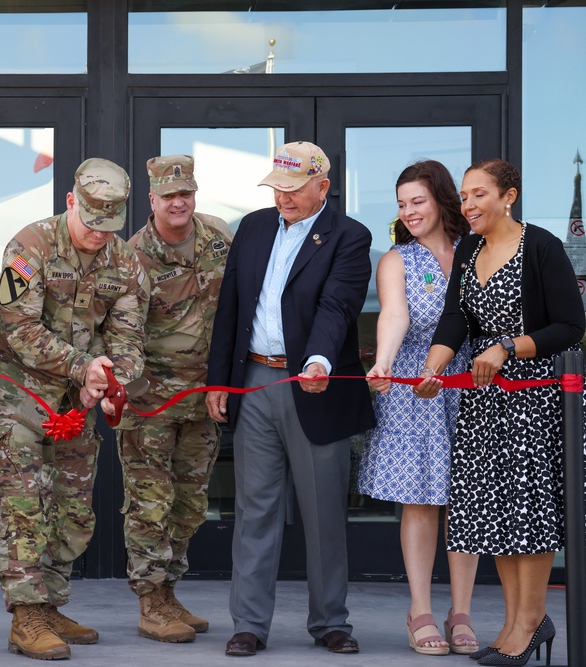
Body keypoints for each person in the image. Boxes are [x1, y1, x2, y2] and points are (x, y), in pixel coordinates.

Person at [0, 157, 149, 660]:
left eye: (108, 225)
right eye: (90, 222)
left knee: (72, 502)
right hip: (15, 392)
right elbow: (16, 327)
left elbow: (130, 338)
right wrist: (84, 368)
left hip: (76, 399)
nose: (98, 234)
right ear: (71, 201)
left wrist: (110, 375)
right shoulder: (28, 247)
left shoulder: (125, 262)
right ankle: (25, 616)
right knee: (24, 502)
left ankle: (49, 603)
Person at [206, 141, 375, 658]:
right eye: (276, 187)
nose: (282, 197)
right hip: (255, 381)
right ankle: (249, 624)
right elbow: (231, 306)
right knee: (255, 509)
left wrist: (320, 361)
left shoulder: (349, 236)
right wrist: (220, 380)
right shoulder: (254, 227)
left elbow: (337, 306)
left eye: (293, 188)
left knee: (323, 511)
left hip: (313, 385)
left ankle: (330, 621)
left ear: (322, 187)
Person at [415, 159, 583, 666]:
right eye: (464, 196)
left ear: (509, 196)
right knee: (497, 515)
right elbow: (456, 319)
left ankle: (529, 621)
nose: (467, 206)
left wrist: (509, 346)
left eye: (478, 194)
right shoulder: (469, 248)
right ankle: (516, 621)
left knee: (528, 513)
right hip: (485, 399)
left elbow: (571, 326)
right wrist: (432, 368)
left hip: (533, 396)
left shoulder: (542, 246)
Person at [358, 160, 479, 656]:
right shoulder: (397, 259)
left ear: (442, 199)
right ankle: (422, 610)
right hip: (418, 388)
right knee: (423, 499)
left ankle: (462, 612)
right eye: (402, 203)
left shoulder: (478, 251)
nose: (408, 211)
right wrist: (383, 364)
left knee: (469, 498)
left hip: (474, 382)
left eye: (418, 201)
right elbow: (394, 315)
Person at [118, 154, 232, 643]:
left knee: (189, 502)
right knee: (150, 503)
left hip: (204, 398)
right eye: (168, 196)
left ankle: (168, 590)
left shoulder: (218, 237)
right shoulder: (132, 256)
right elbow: (118, 332)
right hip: (152, 403)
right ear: (152, 200)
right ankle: (149, 600)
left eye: (185, 193)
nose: (178, 202)